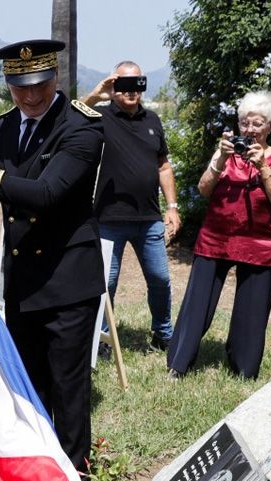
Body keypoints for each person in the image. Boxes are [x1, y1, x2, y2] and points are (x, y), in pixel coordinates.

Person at [0, 39, 104, 481]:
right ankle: (38, 469)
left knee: (68, 387)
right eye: (19, 88)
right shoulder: (6, 127)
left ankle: (75, 477)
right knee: (28, 382)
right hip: (25, 279)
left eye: (39, 86)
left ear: (55, 78)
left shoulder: (82, 127)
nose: (30, 97)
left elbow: (47, 194)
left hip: (68, 279)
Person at [168, 91, 271, 379]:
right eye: (245, 123)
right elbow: (203, 189)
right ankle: (179, 363)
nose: (249, 130)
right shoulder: (225, 154)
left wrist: (262, 167)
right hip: (216, 238)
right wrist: (220, 159)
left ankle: (243, 368)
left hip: (259, 243)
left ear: (270, 127)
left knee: (251, 313)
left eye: (257, 124)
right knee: (196, 304)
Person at [82, 60, 180, 353]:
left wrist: (172, 206)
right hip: (109, 219)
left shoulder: (153, 121)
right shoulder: (99, 117)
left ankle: (163, 334)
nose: (132, 91)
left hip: (148, 218)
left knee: (160, 279)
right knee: (105, 284)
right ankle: (100, 340)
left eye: (138, 83)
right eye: (124, 84)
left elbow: (163, 166)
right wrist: (96, 94)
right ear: (114, 85)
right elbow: (68, 118)